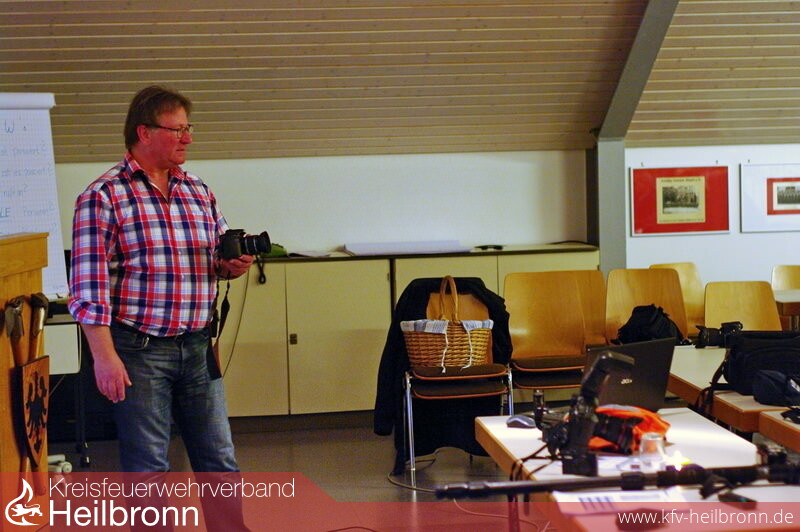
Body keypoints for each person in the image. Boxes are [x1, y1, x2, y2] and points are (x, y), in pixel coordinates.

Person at [68, 85, 254, 476]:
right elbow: (87, 288)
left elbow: (216, 260)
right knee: (148, 466)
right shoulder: (104, 196)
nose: (188, 138)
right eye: (177, 130)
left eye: (189, 128)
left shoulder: (198, 191)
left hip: (199, 347)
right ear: (144, 132)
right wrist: (104, 358)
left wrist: (232, 265)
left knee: (220, 461)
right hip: (140, 351)